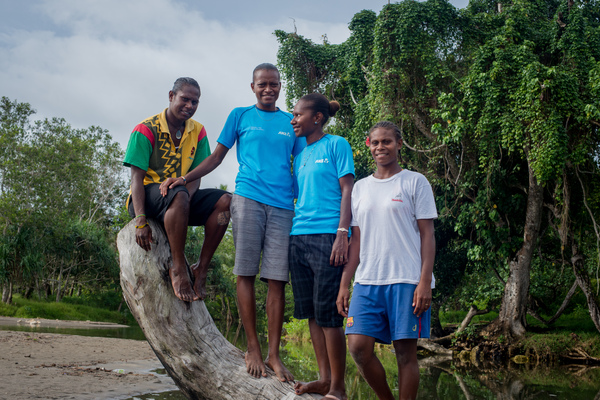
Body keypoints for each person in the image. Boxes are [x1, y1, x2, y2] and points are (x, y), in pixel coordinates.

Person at [160, 63, 304, 382]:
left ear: (280, 87)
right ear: (252, 87)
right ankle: (252, 347)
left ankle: (274, 355)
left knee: (278, 280)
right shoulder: (240, 116)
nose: (269, 89)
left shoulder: (290, 123)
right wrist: (184, 178)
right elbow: (215, 158)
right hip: (248, 199)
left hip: (283, 206)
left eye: (274, 84)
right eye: (263, 84)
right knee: (246, 272)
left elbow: (303, 165)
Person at [336, 121, 437, 400]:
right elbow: (356, 241)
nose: (381, 147)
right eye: (376, 142)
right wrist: (345, 284)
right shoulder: (360, 188)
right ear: (368, 145)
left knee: (405, 353)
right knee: (357, 347)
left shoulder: (415, 182)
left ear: (399, 144)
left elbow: (428, 235)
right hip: (368, 280)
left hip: (407, 279)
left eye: (387, 142)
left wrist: (424, 281)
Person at [123, 77, 232, 303]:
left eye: (195, 102)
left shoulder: (198, 131)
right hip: (145, 199)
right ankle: (178, 267)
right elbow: (136, 179)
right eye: (185, 99)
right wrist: (141, 220)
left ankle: (201, 268)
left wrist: (184, 202)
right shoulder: (145, 129)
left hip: (179, 200)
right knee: (179, 193)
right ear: (171, 96)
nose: (189, 106)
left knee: (225, 201)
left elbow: (196, 175)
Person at [288, 93, 354, 400]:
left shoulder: (337, 144)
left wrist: (343, 231)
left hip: (328, 235)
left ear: (317, 117)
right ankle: (324, 379)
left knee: (328, 314)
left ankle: (338, 388)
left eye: (298, 115)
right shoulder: (300, 154)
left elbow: (347, 190)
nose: (293, 120)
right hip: (298, 237)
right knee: (312, 313)